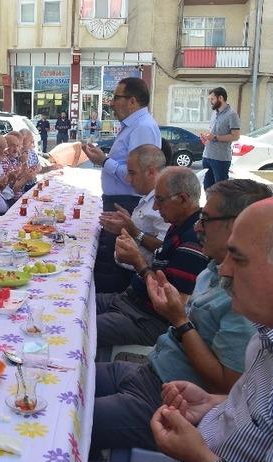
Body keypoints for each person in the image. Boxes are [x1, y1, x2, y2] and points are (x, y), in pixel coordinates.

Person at [89, 195, 273, 462]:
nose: (224, 270)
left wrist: (200, 458)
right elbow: (265, 413)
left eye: (238, 259)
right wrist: (214, 403)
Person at [88, 179, 270, 461]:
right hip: (149, 372)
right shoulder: (213, 268)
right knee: (63, 375)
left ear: (237, 226)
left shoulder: (246, 297)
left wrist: (179, 320)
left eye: (206, 219)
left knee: (64, 415)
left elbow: (226, 384)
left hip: (166, 402)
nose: (198, 226)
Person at [96, 167, 209, 348]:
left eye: (159, 199)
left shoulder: (193, 241)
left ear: (182, 199)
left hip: (147, 320)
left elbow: (170, 307)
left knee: (77, 328)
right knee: (71, 307)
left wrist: (138, 261)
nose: (156, 207)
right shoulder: (179, 224)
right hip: (130, 302)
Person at [95, 145, 169, 293]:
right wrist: (127, 222)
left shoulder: (164, 203)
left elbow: (163, 248)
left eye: (132, 173)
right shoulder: (147, 197)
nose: (128, 179)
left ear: (151, 172)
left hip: (134, 279)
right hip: (123, 269)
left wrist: (132, 230)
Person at [83, 78, 161, 214]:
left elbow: (139, 176)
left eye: (116, 98)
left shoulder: (143, 127)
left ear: (132, 101)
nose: (111, 104)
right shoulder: (134, 125)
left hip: (127, 203)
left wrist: (103, 161)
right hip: (121, 201)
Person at [199, 87, 241, 189]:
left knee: (220, 190)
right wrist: (206, 138)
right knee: (207, 188)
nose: (211, 102)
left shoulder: (232, 114)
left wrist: (215, 138)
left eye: (212, 99)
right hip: (207, 155)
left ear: (221, 98)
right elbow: (213, 132)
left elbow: (236, 136)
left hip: (220, 158)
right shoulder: (214, 113)